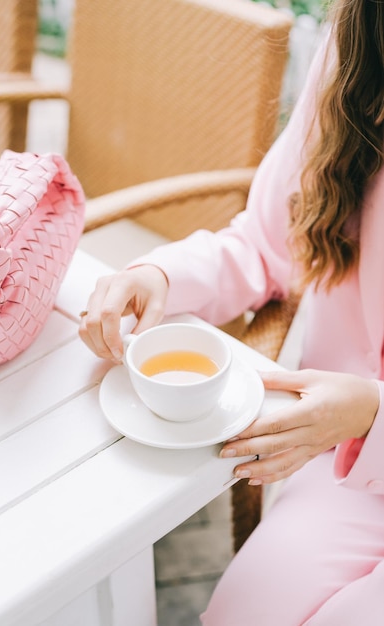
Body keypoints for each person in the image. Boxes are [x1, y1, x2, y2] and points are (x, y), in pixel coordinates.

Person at [79, 0, 384, 622]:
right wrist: (158, 276)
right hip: (351, 473)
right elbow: (267, 243)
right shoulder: (356, 51)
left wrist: (371, 410)